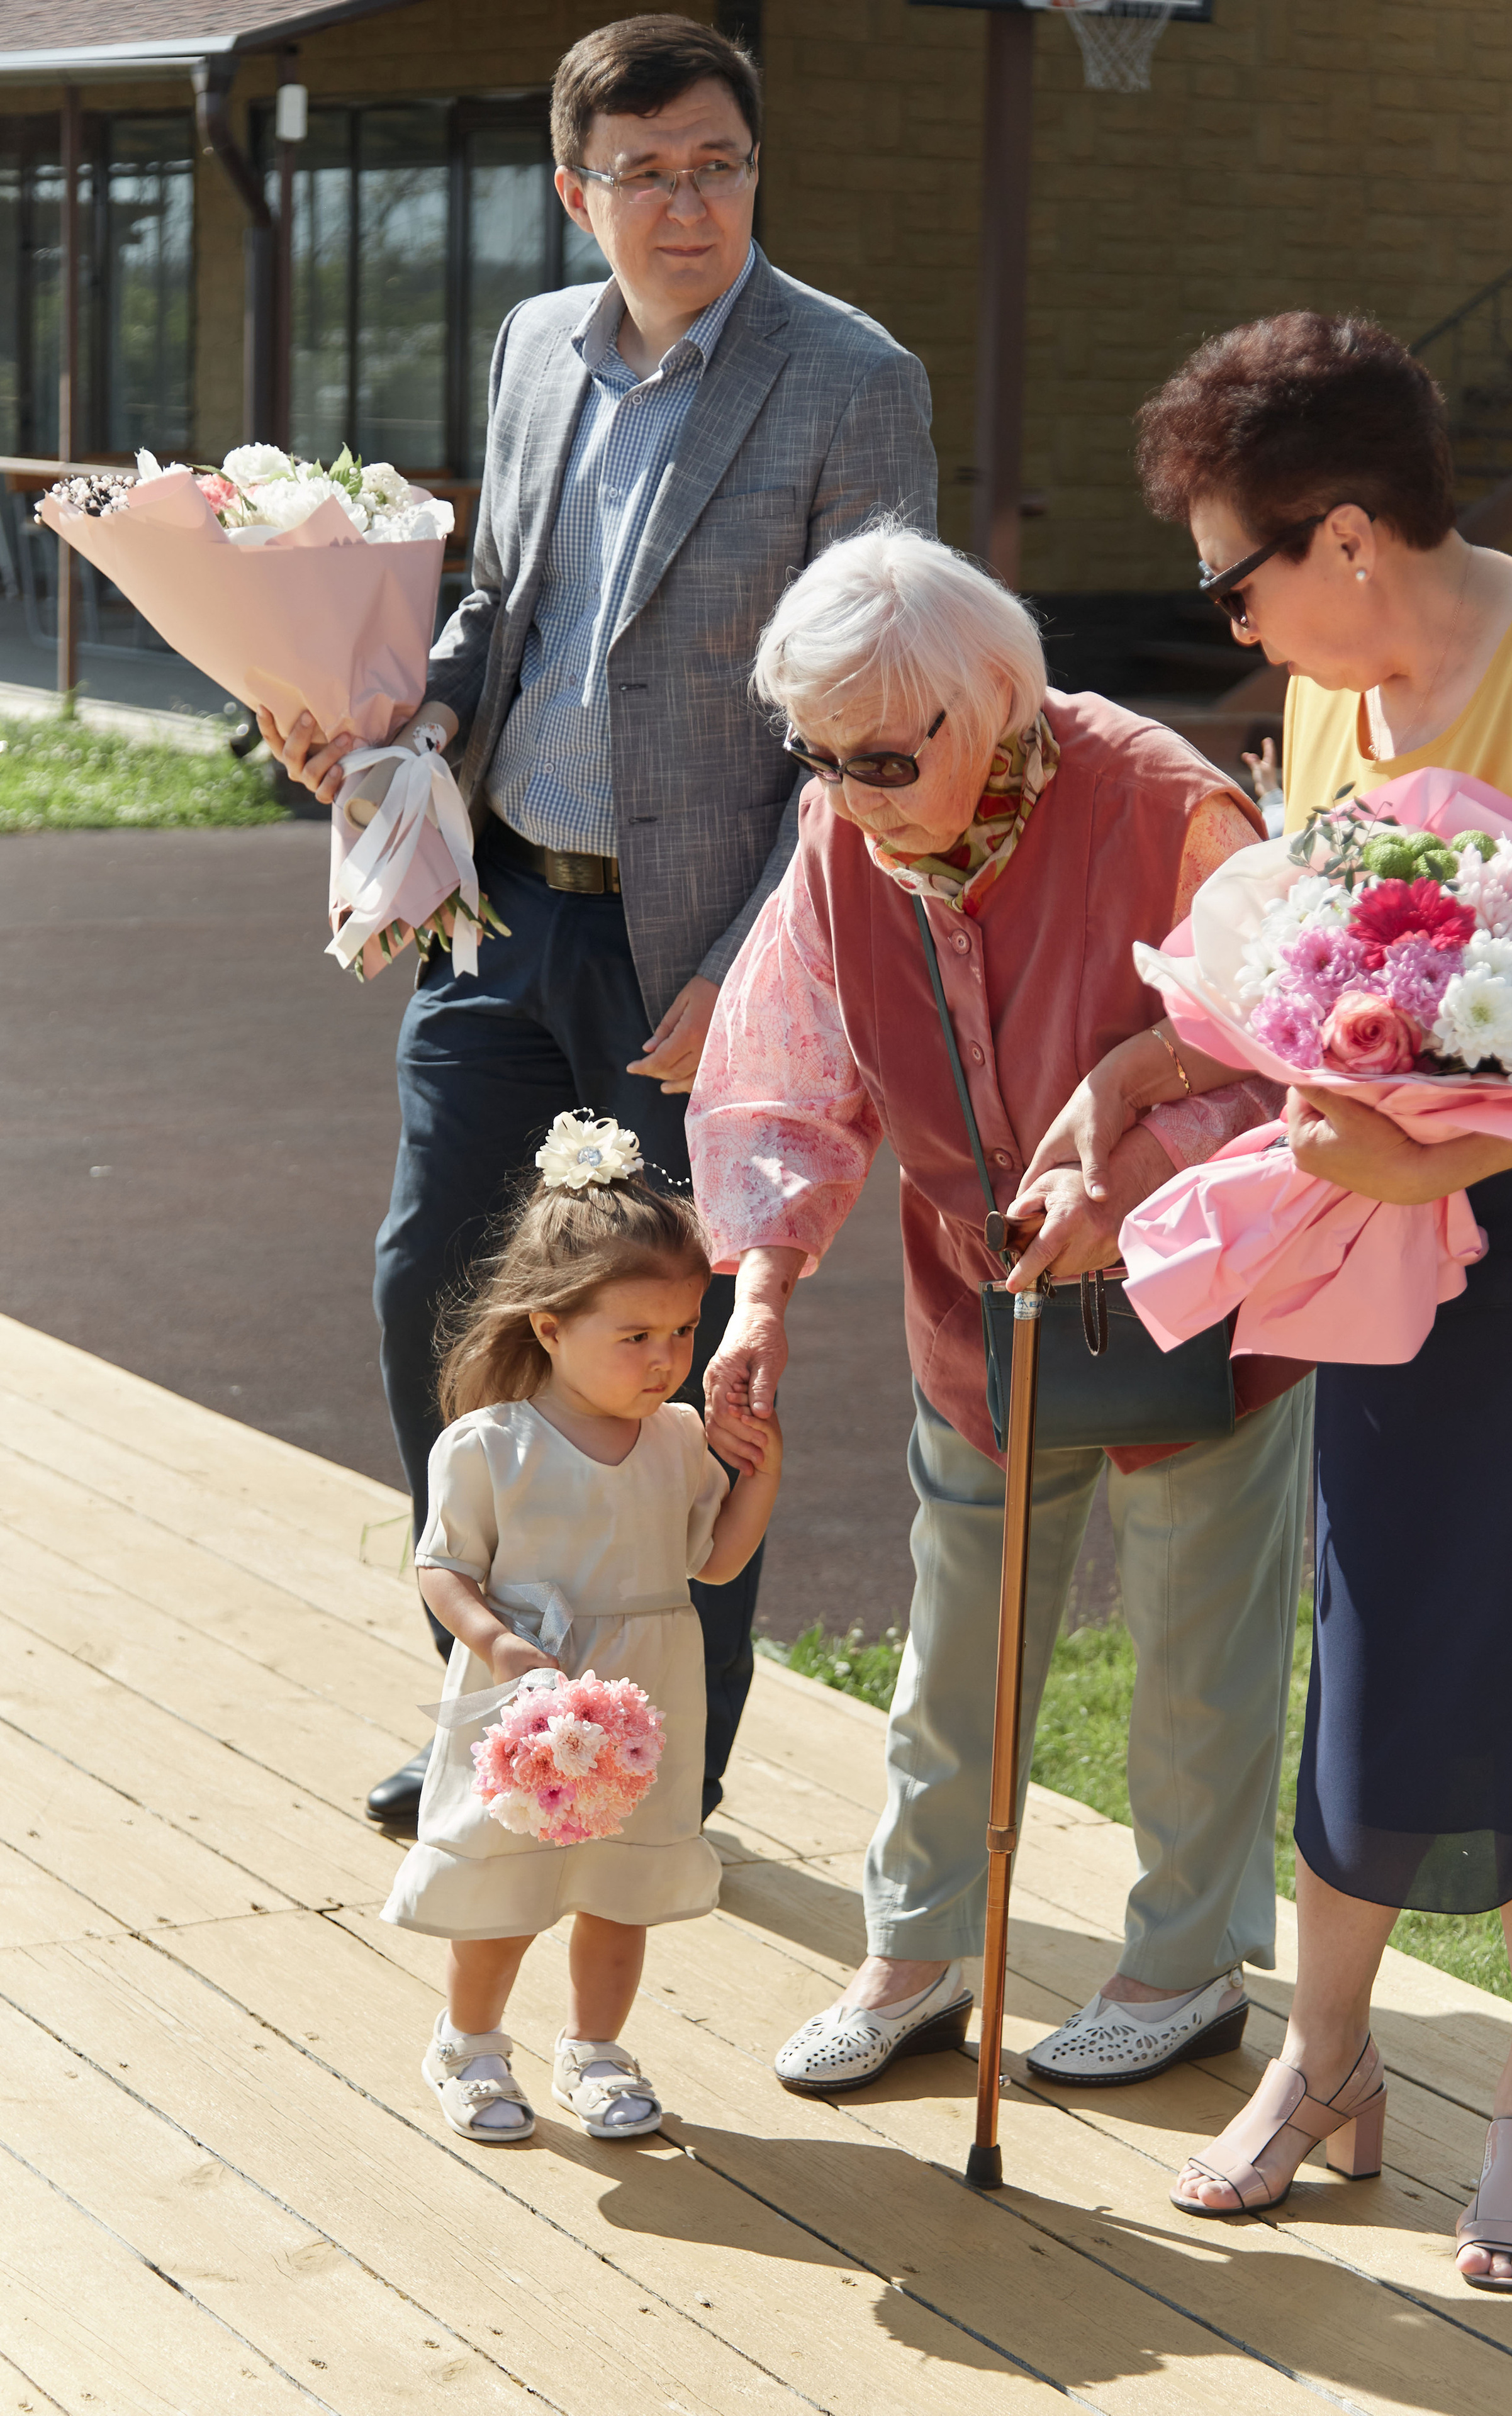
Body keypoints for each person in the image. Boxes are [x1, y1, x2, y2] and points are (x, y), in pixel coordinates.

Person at [262, 14, 938, 1835]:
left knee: (668, 1349)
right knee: (443, 1298)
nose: (689, 200)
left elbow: (875, 720)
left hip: (700, 959)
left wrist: (750, 974)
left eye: (719, 163)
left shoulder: (851, 380)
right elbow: (505, 608)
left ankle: (663, 1752)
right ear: (580, 191)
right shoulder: (537, 343)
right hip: (500, 921)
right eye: (646, 172)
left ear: (753, 172)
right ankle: (501, 1682)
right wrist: (387, 726)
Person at [687, 524, 1314, 2093]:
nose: (850, 793)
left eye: (885, 757)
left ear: (992, 698)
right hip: (972, 1304)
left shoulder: (1166, 804)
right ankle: (916, 1949)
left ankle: (1183, 1966)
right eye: (817, 758)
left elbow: (1291, 1057)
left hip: (1190, 1301)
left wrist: (1132, 1178)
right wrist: (759, 1295)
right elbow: (788, 1067)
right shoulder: (851, 834)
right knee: (952, 1628)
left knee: (1190, 1647)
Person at [1133, 308, 1512, 2289]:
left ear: (1341, 538)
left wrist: (1449, 1156)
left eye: (1234, 575)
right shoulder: (1332, 695)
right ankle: (1328, 2067)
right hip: (1382, 1251)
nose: (1235, 625)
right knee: (1370, 1626)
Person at [383, 1114, 781, 2143]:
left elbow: (715, 1561)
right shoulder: (489, 1445)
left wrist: (759, 1475)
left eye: (685, 1333)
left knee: (621, 1888)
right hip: (532, 1700)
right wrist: (502, 1647)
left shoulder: (679, 1437)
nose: (667, 1360)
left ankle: (594, 2050)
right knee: (506, 1890)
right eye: (637, 1337)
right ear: (552, 1328)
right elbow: (442, 1565)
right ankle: (468, 2042)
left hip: (645, 1692)